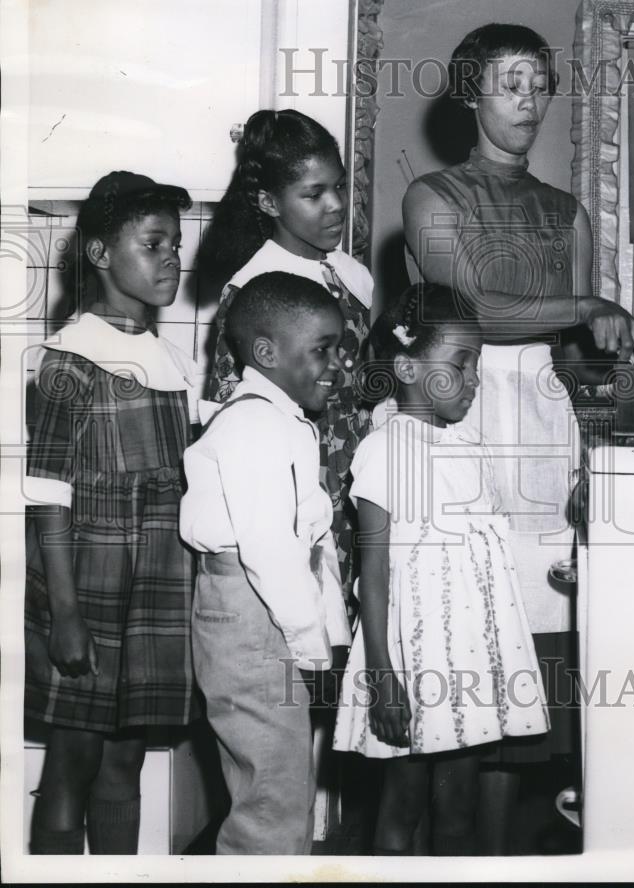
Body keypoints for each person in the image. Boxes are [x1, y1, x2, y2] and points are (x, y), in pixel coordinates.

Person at [402, 23, 634, 852]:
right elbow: (471, 309)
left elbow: (579, 358)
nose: (528, 100)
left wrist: (599, 458)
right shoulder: (432, 196)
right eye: (510, 82)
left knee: (533, 669)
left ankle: (499, 863)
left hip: (546, 430)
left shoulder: (566, 213)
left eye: (539, 84)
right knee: (463, 659)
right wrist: (589, 308)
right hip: (460, 421)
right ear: (470, 92)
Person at [333, 284, 549, 857]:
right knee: (402, 804)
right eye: (460, 364)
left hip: (469, 661)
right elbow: (372, 574)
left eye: (475, 366)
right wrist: (381, 674)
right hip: (411, 661)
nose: (474, 380)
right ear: (405, 366)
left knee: (458, 811)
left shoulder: (470, 447)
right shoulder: (384, 451)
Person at [24, 171, 199, 854]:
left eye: (176, 245)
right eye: (153, 244)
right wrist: (63, 613)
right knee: (74, 757)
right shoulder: (69, 359)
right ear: (99, 253)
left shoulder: (172, 362)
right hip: (88, 586)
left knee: (126, 758)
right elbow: (47, 493)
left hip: (157, 582)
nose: (170, 260)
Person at [179, 272, 352, 855]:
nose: (337, 365)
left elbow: (304, 549)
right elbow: (272, 552)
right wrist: (309, 643)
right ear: (266, 353)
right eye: (322, 350)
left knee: (281, 789)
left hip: (261, 613)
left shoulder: (281, 420)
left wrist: (325, 633)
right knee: (272, 803)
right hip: (253, 618)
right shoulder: (254, 425)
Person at [199, 109, 373, 617]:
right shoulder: (256, 287)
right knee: (305, 621)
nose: (336, 205)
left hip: (361, 475)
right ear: (268, 202)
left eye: (339, 186)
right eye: (314, 193)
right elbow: (225, 410)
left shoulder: (353, 274)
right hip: (297, 485)